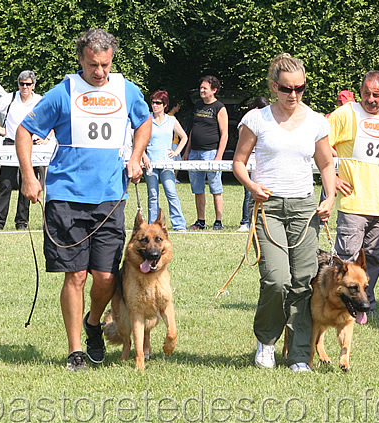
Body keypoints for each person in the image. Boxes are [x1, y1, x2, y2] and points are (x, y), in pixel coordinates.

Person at [16, 28, 151, 371]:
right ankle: (76, 349)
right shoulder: (63, 92)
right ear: (81, 59)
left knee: (105, 278)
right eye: (93, 65)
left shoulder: (126, 89)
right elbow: (24, 131)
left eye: (105, 65)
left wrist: (136, 156)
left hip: (110, 198)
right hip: (66, 197)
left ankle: (93, 323)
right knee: (75, 276)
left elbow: (145, 122)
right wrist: (29, 176)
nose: (100, 72)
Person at [232, 53, 336, 372]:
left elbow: (326, 163)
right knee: (277, 280)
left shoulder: (317, 121)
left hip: (304, 207)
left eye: (300, 88)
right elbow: (238, 162)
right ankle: (266, 342)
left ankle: (299, 354)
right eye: (286, 89)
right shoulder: (256, 120)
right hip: (269, 208)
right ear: (274, 86)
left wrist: (329, 196)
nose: (293, 95)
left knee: (304, 282)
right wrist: (251, 185)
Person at [328, 71, 379, 314]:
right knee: (345, 261)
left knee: (373, 260)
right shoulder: (344, 114)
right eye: (366, 93)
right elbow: (318, 145)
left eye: (376, 95)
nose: (370, 99)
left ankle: (365, 306)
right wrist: (333, 179)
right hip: (352, 204)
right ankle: (337, 305)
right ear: (360, 92)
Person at [0, 70, 47, 231]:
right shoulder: (11, 98)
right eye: (22, 84)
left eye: (28, 84)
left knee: (26, 183)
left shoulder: (39, 100)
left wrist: (46, 136)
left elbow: (51, 116)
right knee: (5, 184)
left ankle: (22, 222)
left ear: (33, 85)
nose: (24, 87)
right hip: (10, 144)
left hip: (31, 145)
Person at [182, 75, 228, 230]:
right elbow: (193, 130)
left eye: (204, 88)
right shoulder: (198, 105)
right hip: (195, 152)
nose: (201, 90)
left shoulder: (220, 108)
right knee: (197, 188)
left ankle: (218, 221)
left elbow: (225, 134)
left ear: (214, 90)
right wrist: (187, 151)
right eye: (201, 88)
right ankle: (200, 221)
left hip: (211, 152)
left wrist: (219, 156)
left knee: (215, 188)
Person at [142, 90, 188, 230]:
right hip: (150, 164)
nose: (154, 105)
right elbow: (138, 140)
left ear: (165, 105)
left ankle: (179, 225)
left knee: (171, 192)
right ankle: (152, 225)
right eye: (153, 102)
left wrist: (176, 152)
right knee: (153, 195)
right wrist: (144, 156)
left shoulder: (171, 120)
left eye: (158, 103)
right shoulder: (147, 119)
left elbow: (184, 137)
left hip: (167, 163)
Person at [237, 96, 270, 232]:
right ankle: (246, 221)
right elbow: (242, 139)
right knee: (249, 191)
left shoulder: (269, 116)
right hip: (250, 158)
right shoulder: (249, 117)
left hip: (264, 159)